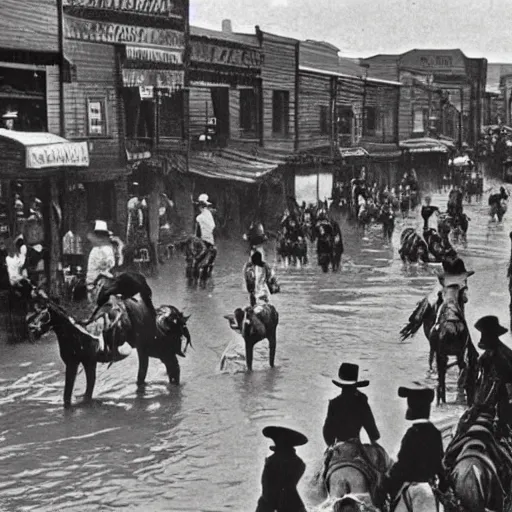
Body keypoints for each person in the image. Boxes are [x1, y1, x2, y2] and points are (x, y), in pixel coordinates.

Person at [379, 385, 447, 507]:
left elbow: (402, 465)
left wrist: (387, 483)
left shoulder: (411, 434)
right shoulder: (435, 433)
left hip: (412, 487)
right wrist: (444, 484)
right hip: (430, 486)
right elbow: (439, 464)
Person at [322, 362, 381, 446]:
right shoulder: (360, 401)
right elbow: (369, 423)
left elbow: (327, 430)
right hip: (355, 445)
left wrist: (331, 445)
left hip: (338, 445)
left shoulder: (335, 403)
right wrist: (374, 440)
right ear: (355, 386)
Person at [255, 425, 308, 512]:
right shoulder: (299, 462)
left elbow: (267, 490)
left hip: (272, 504)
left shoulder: (272, 462)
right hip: (293, 504)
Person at [474, 316, 512, 432]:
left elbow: (505, 388)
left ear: (492, 336)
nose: (481, 338)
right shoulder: (486, 356)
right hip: (491, 404)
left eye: (484, 335)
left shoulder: (502, 357)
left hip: (503, 407)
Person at [86, 220, 116, 304]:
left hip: (102, 283)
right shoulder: (96, 251)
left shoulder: (107, 249)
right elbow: (101, 268)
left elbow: (111, 263)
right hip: (95, 286)